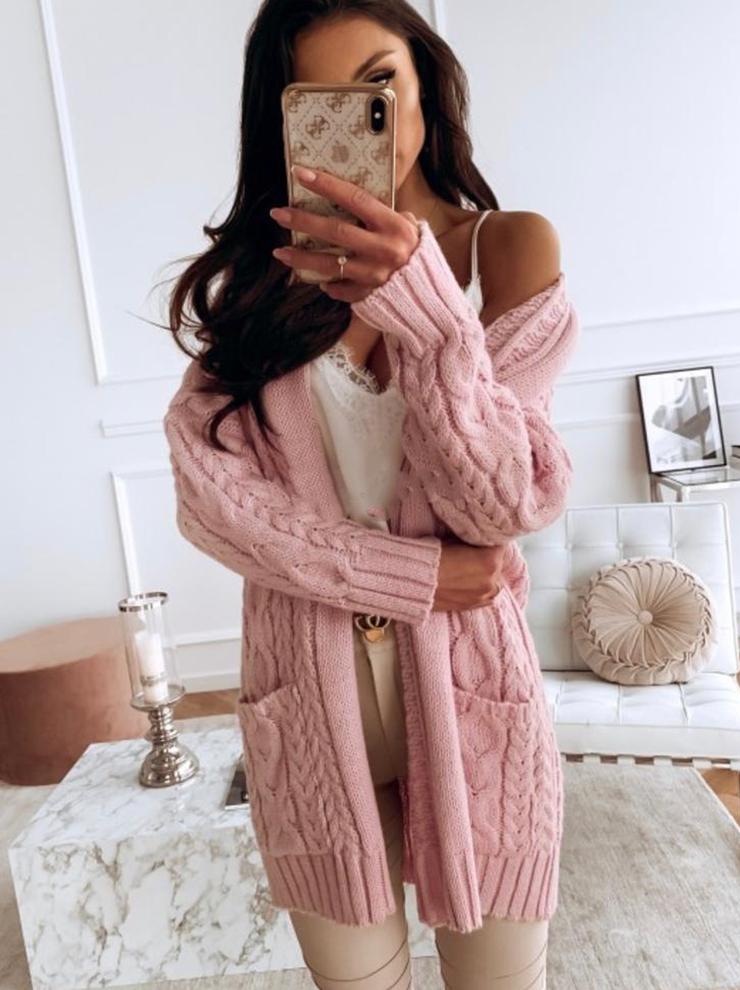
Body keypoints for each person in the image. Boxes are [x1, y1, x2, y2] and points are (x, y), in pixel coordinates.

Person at [163, 2, 580, 987]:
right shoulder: (264, 281)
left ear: (425, 77)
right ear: (283, 120)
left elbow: (501, 504)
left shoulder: (507, 250)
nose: (368, 118)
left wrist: (429, 314)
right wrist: (409, 576)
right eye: (324, 98)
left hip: (475, 698)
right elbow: (207, 493)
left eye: (381, 81)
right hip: (307, 706)